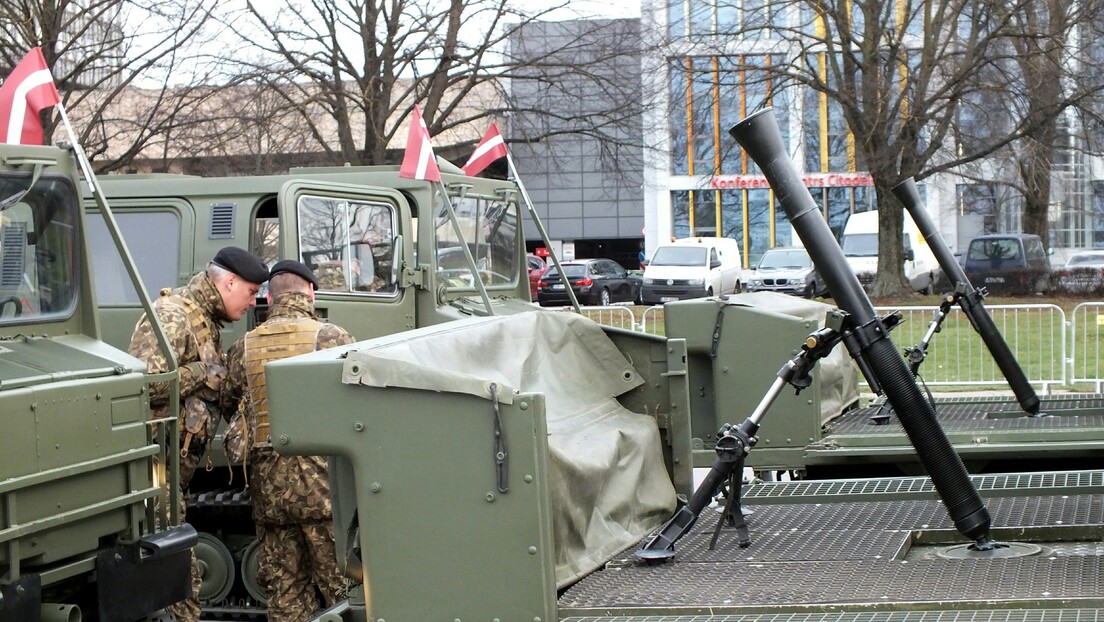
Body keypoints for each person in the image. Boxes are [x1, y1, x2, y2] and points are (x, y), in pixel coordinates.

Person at [127, 245, 268, 622]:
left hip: (172, 473)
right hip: (155, 471)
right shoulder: (174, 316)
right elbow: (145, 383)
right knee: (179, 580)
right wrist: (203, 373)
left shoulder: (204, 319)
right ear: (230, 281)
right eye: (250, 292)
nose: (252, 301)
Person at [223, 260, 354, 622]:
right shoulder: (331, 337)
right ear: (310, 292)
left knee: (285, 593)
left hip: (270, 495)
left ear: (269, 296)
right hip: (324, 492)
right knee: (344, 589)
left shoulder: (244, 347)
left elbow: (227, 402)